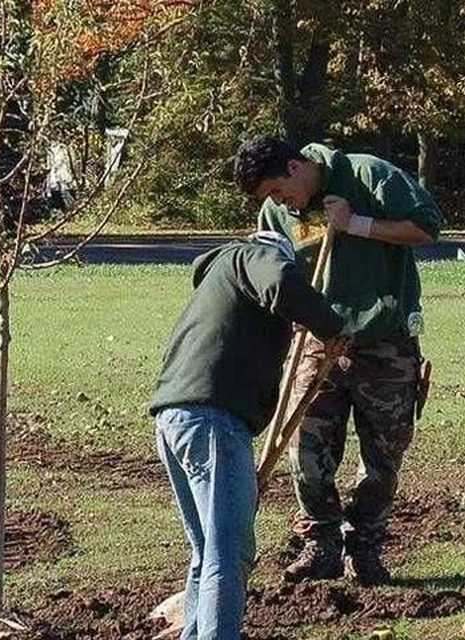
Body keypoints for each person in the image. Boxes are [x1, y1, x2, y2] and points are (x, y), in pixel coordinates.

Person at [232, 135, 442, 586]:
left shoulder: (368, 174)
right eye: (269, 198)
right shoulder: (278, 215)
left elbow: (427, 227)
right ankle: (320, 543)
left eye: (276, 190)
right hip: (315, 342)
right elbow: (275, 278)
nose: (277, 203)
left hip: (384, 342)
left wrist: (356, 224)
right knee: (304, 448)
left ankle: (364, 545)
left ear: (294, 167)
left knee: (384, 453)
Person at [149, 231, 350, 640]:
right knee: (230, 552)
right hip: (212, 422)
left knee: (208, 549)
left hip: (176, 419)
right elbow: (278, 280)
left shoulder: (219, 291)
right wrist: (331, 327)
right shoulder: (251, 257)